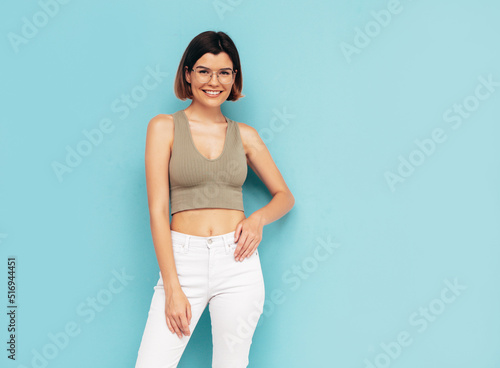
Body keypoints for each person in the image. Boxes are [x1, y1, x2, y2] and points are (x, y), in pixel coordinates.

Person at [135, 30, 295, 368]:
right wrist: (173, 287)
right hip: (182, 260)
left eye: (225, 72)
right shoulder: (163, 127)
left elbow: (285, 196)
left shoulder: (245, 135)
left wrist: (257, 219)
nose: (214, 81)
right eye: (205, 71)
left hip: (237, 263)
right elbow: (158, 210)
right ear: (188, 74)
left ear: (234, 78)